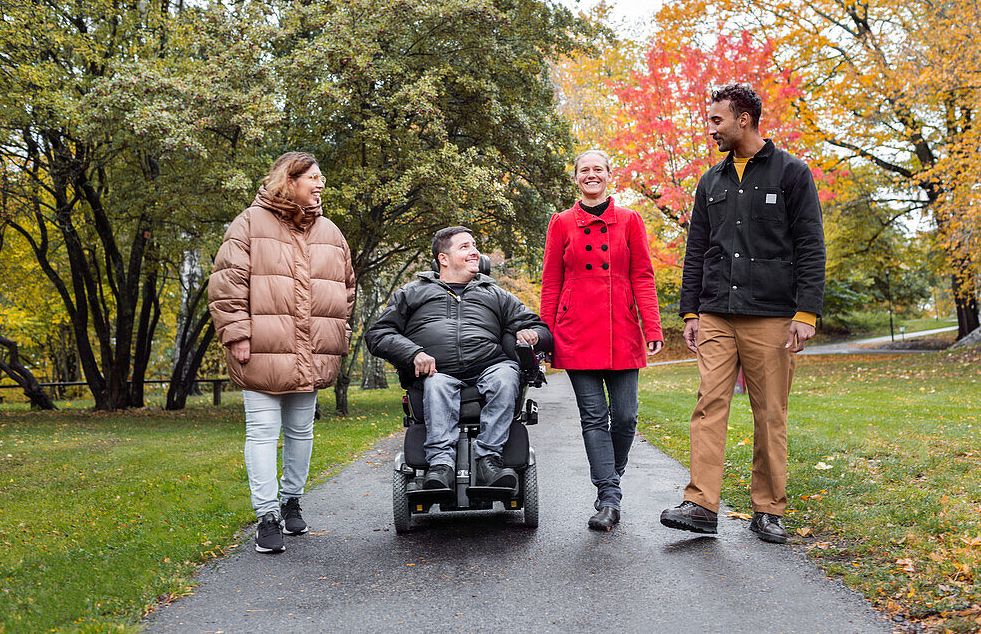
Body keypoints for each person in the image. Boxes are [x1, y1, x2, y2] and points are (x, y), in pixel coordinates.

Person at [660, 83, 825, 544]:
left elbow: (812, 246)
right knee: (708, 406)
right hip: (716, 313)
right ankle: (700, 505)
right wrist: (689, 310)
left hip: (772, 315)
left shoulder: (792, 173)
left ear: (744, 119)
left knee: (770, 413)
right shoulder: (710, 181)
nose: (709, 128)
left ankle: (768, 509)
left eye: (716, 120)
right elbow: (697, 250)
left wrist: (806, 312)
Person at [209, 152, 356, 554]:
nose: (321, 182)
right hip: (260, 349)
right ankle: (267, 517)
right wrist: (237, 334)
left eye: (321, 175)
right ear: (289, 181)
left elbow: (346, 289)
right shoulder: (249, 224)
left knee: (301, 431)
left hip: (310, 350)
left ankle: (292, 501)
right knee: (261, 433)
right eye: (313, 176)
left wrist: (338, 330)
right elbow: (227, 284)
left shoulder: (330, 231)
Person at [364, 227, 550, 492]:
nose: (474, 252)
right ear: (443, 258)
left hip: (490, 365)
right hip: (437, 370)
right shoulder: (412, 292)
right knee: (436, 385)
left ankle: (489, 460)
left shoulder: (495, 294)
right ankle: (441, 467)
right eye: (464, 247)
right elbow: (378, 334)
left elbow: (540, 328)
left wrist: (533, 335)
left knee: (506, 376)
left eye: (475, 246)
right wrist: (413, 353)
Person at [540, 150, 664, 531]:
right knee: (594, 418)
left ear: (610, 176)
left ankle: (612, 476)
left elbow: (642, 275)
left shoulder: (630, 220)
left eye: (598, 169)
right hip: (575, 331)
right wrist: (545, 336)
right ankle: (609, 495)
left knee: (625, 417)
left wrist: (653, 326)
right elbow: (550, 282)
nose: (591, 175)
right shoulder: (561, 223)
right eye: (584, 170)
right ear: (576, 178)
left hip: (622, 329)